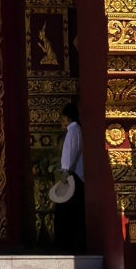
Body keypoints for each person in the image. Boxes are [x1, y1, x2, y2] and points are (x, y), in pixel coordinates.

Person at [51, 99, 85, 252]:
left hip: (72, 176)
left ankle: (67, 244)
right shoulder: (75, 130)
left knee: (66, 212)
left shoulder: (73, 130)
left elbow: (70, 153)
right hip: (74, 174)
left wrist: (65, 171)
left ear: (67, 117)